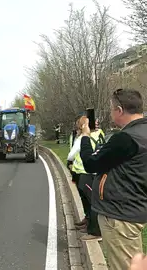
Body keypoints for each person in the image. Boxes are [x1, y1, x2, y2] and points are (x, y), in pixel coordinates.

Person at [80, 88, 147, 270]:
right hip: (135, 209)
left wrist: (85, 137)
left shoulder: (125, 138)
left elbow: (91, 163)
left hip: (120, 216)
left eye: (111, 110)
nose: (111, 114)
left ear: (119, 110)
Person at [67, 116, 101, 241]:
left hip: (85, 172)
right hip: (89, 172)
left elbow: (71, 155)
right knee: (88, 200)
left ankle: (94, 230)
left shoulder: (83, 137)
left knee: (91, 201)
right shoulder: (99, 134)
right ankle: (88, 223)